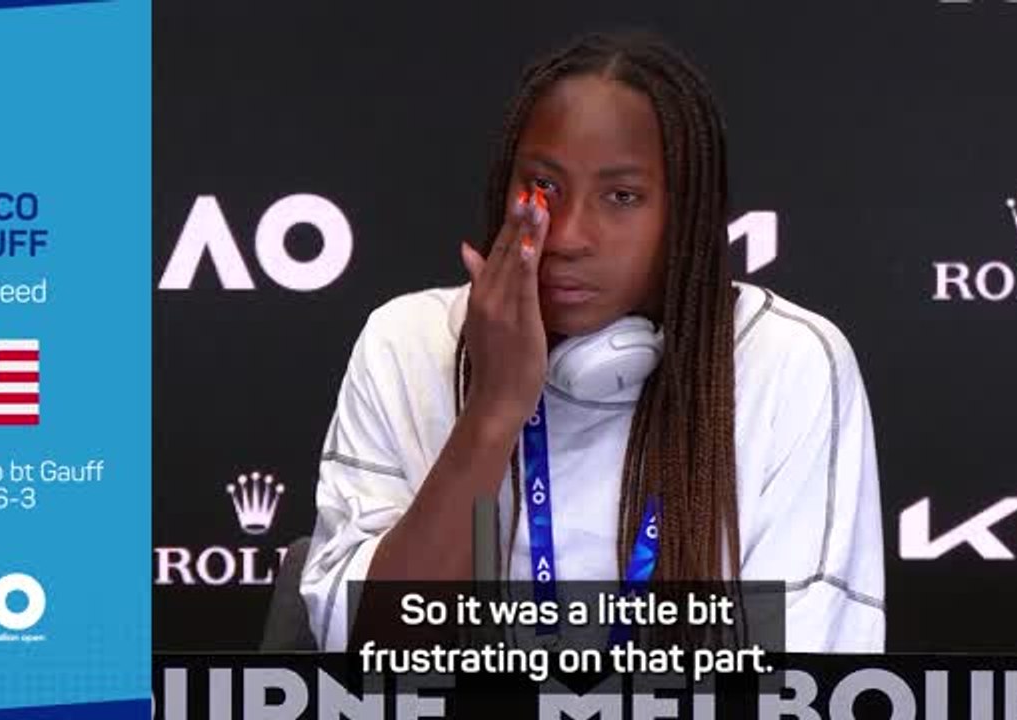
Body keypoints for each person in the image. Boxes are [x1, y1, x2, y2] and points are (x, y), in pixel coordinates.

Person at [300, 30, 884, 654]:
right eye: (544, 187)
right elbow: (363, 655)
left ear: (685, 215)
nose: (569, 234)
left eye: (622, 196)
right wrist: (493, 411)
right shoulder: (407, 343)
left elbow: (800, 674)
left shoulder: (787, 362)